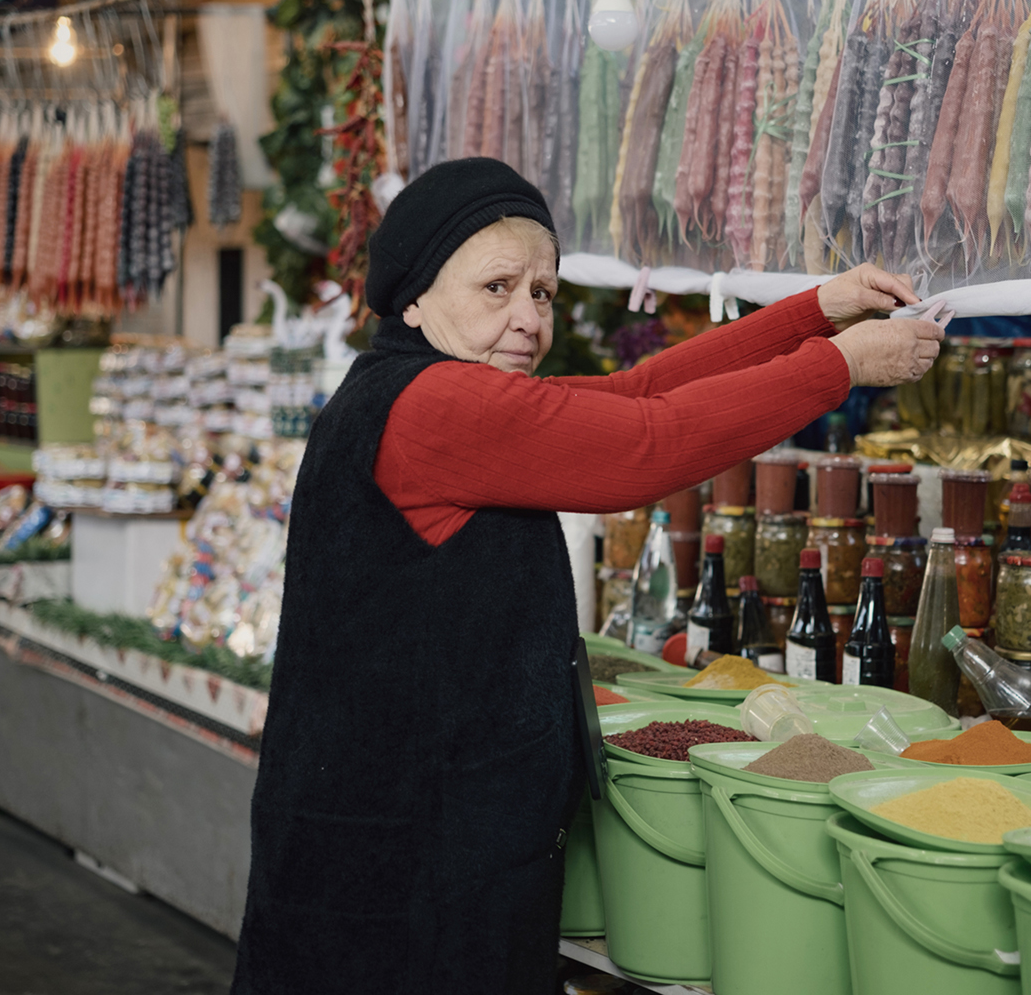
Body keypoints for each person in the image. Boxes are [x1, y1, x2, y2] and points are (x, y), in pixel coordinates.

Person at [230, 158, 943, 995]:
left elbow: (632, 392)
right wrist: (839, 367)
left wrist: (812, 315)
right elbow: (646, 446)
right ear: (415, 298)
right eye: (497, 287)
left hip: (429, 831)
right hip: (402, 855)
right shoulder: (431, 405)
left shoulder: (427, 385)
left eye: (542, 292)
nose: (528, 317)